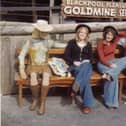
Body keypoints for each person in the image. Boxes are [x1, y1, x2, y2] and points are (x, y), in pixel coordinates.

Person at [18, 20, 53, 115]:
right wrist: (21, 69)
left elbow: (60, 44)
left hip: (44, 65)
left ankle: (43, 103)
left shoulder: (48, 42)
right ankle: (35, 99)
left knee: (46, 77)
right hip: (33, 65)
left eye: (46, 31)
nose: (46, 33)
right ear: (37, 30)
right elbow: (21, 55)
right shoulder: (29, 41)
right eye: (43, 31)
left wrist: (74, 43)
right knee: (33, 77)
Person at [64, 24, 94, 114]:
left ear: (87, 35)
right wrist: (73, 61)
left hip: (86, 66)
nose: (82, 34)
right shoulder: (71, 42)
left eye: (85, 33)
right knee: (85, 81)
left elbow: (91, 58)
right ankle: (87, 105)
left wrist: (87, 60)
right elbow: (66, 56)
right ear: (78, 33)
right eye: (81, 32)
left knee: (86, 65)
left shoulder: (88, 44)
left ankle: (75, 87)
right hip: (75, 66)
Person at [97, 26, 126, 109]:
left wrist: (116, 33)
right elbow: (101, 58)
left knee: (112, 75)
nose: (109, 36)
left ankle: (109, 74)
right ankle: (110, 103)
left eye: (111, 35)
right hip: (103, 64)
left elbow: (124, 34)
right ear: (105, 34)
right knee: (114, 77)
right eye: (108, 34)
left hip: (113, 62)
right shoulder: (100, 43)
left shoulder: (115, 40)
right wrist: (109, 65)